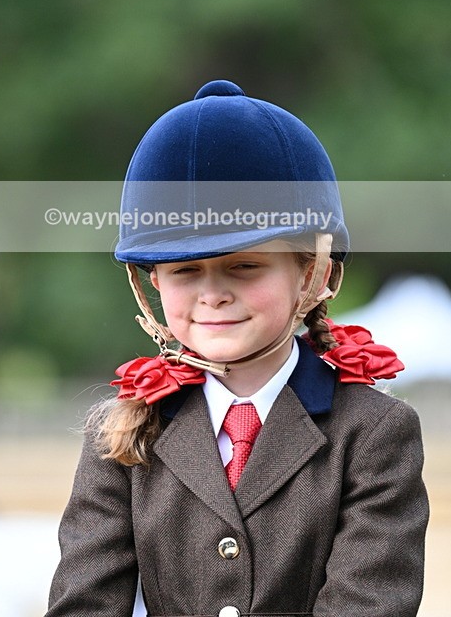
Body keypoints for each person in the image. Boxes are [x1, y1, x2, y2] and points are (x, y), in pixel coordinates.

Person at [46, 80, 429, 617]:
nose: (213, 293)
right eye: (185, 270)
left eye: (245, 266)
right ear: (151, 282)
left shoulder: (373, 433)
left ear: (315, 274)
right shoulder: (118, 433)